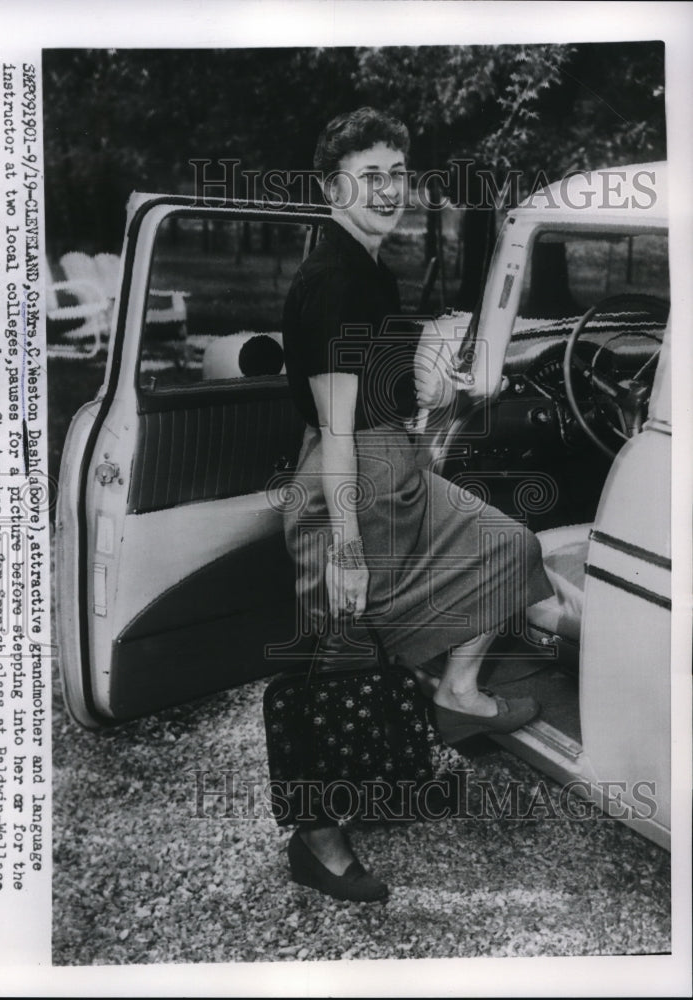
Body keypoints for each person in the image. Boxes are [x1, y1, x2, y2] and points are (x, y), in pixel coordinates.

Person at [278, 108, 554, 902]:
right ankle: (319, 842)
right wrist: (345, 551)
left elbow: (373, 394)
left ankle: (455, 698)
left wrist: (436, 388)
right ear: (335, 186)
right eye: (372, 175)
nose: (390, 190)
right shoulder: (334, 281)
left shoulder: (368, 270)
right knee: (343, 656)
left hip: (391, 464)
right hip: (348, 485)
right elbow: (335, 430)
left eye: (398, 174)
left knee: (507, 547)